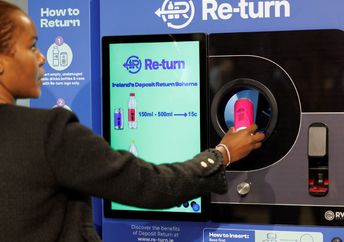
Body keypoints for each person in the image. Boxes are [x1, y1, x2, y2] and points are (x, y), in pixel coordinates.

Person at [0, 1, 265, 241]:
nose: (41, 57)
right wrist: (222, 155)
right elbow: (149, 185)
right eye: (32, 46)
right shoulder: (49, 133)